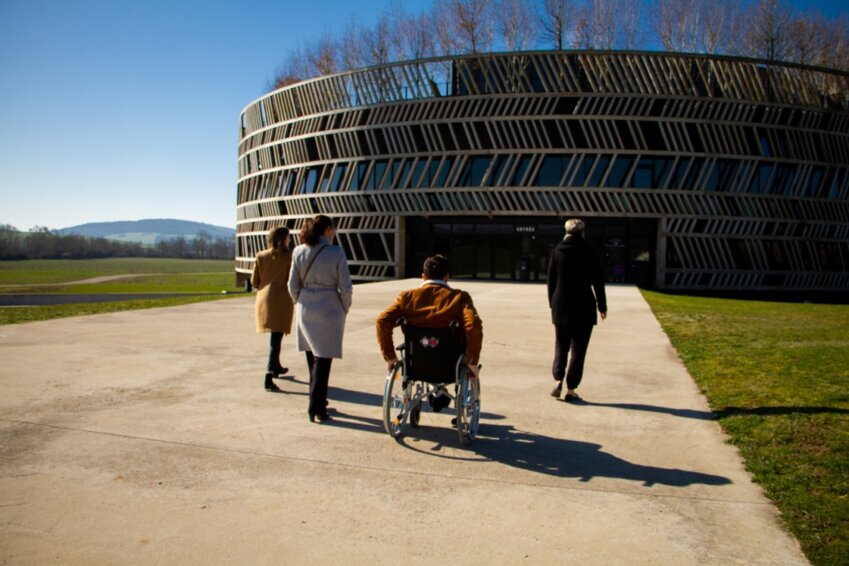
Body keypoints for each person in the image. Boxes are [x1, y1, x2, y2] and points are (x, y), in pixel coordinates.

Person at [376, 254, 482, 413]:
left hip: (416, 362)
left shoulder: (407, 297)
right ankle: (461, 402)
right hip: (450, 364)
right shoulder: (459, 298)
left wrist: (390, 357)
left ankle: (435, 394)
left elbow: (382, 321)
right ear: (447, 277)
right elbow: (473, 326)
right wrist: (472, 361)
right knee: (463, 354)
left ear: (423, 276)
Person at [288, 215, 353, 423]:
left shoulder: (299, 251)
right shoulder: (336, 252)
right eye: (332, 229)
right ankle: (316, 406)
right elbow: (346, 286)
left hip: (306, 306)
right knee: (323, 360)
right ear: (327, 230)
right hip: (329, 307)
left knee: (312, 357)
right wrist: (344, 307)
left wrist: (302, 300)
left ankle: (318, 400)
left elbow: (292, 285)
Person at [547, 218, 607, 402]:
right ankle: (571, 389)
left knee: (561, 345)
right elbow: (598, 281)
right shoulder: (589, 251)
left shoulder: (557, 251)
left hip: (561, 305)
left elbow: (551, 280)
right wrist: (602, 306)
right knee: (578, 350)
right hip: (583, 306)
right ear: (583, 232)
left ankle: (558, 379)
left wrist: (552, 303)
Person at [251, 226, 295, 393]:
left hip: (264, 300)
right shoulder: (289, 257)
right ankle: (268, 376)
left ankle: (276, 367)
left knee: (275, 337)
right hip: (282, 300)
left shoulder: (261, 256)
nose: (290, 240)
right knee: (275, 341)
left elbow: (255, 281)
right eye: (288, 238)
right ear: (283, 239)